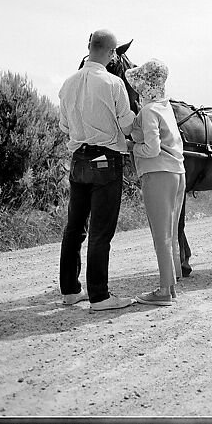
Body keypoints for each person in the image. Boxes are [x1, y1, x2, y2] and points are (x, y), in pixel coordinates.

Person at [58, 29, 136, 311]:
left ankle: (70, 290)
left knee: (74, 228)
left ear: (89, 47)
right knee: (101, 231)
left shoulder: (67, 84)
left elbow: (64, 126)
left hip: (78, 160)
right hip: (106, 160)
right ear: (112, 52)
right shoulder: (114, 83)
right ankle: (100, 296)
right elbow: (127, 124)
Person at [124, 58, 186, 306]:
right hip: (177, 173)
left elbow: (151, 149)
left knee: (160, 234)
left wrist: (130, 147)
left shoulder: (149, 111)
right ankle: (170, 284)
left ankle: (163, 291)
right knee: (170, 232)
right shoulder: (164, 106)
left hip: (158, 173)